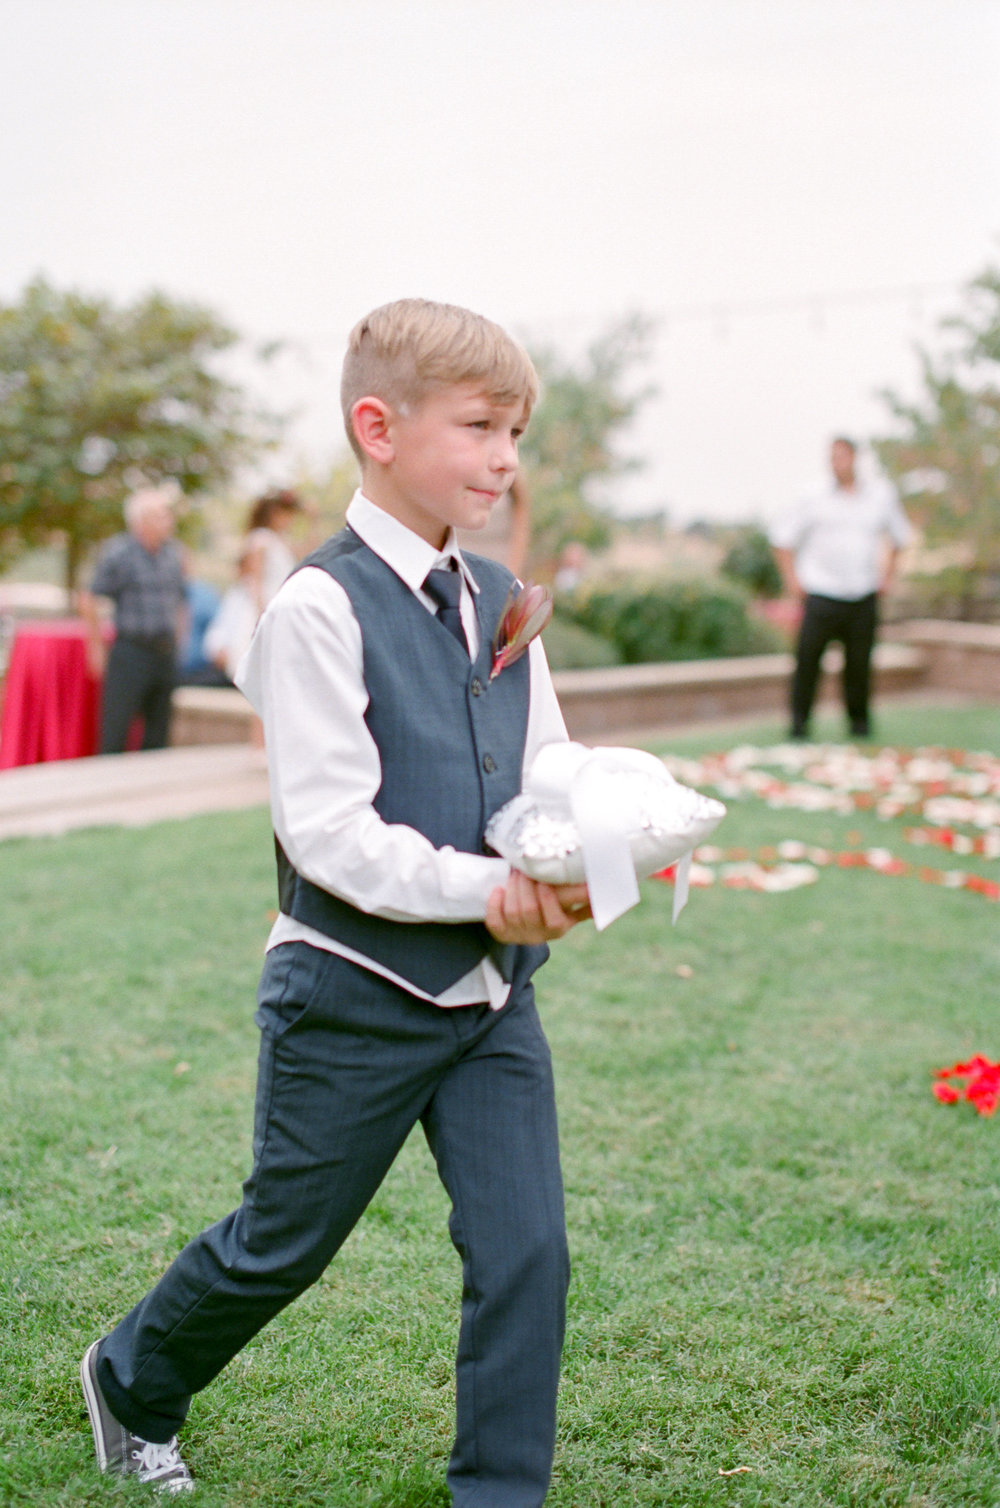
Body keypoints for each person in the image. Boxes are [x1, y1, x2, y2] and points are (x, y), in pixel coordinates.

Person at [80, 298, 594, 1503]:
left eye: (514, 429)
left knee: (529, 1252)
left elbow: (549, 761)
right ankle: (130, 1372)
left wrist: (598, 837)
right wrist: (492, 888)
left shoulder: (502, 597)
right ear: (378, 426)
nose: (505, 456)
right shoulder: (316, 607)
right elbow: (328, 833)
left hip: (490, 999)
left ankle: (499, 1492)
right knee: (283, 1241)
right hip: (350, 992)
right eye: (478, 426)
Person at [769, 436, 913, 740]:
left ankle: (859, 725)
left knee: (859, 666)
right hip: (820, 594)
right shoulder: (812, 496)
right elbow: (782, 540)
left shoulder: (880, 495)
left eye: (843, 456)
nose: (837, 462)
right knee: (807, 663)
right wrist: (794, 583)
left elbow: (900, 537)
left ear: (855, 458)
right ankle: (799, 724)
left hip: (863, 595)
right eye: (832, 457)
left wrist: (887, 576)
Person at [79, 486, 188, 754]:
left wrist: (180, 638)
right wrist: (95, 647)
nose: (168, 521)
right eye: (161, 515)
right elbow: (89, 597)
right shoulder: (119, 553)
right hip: (131, 651)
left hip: (164, 652)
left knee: (159, 732)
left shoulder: (174, 553)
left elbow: (182, 598)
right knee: (116, 728)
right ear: (141, 520)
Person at [455, 465, 532, 574]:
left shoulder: (508, 472)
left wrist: (512, 572)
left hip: (499, 563)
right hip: (460, 563)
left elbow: (521, 528)